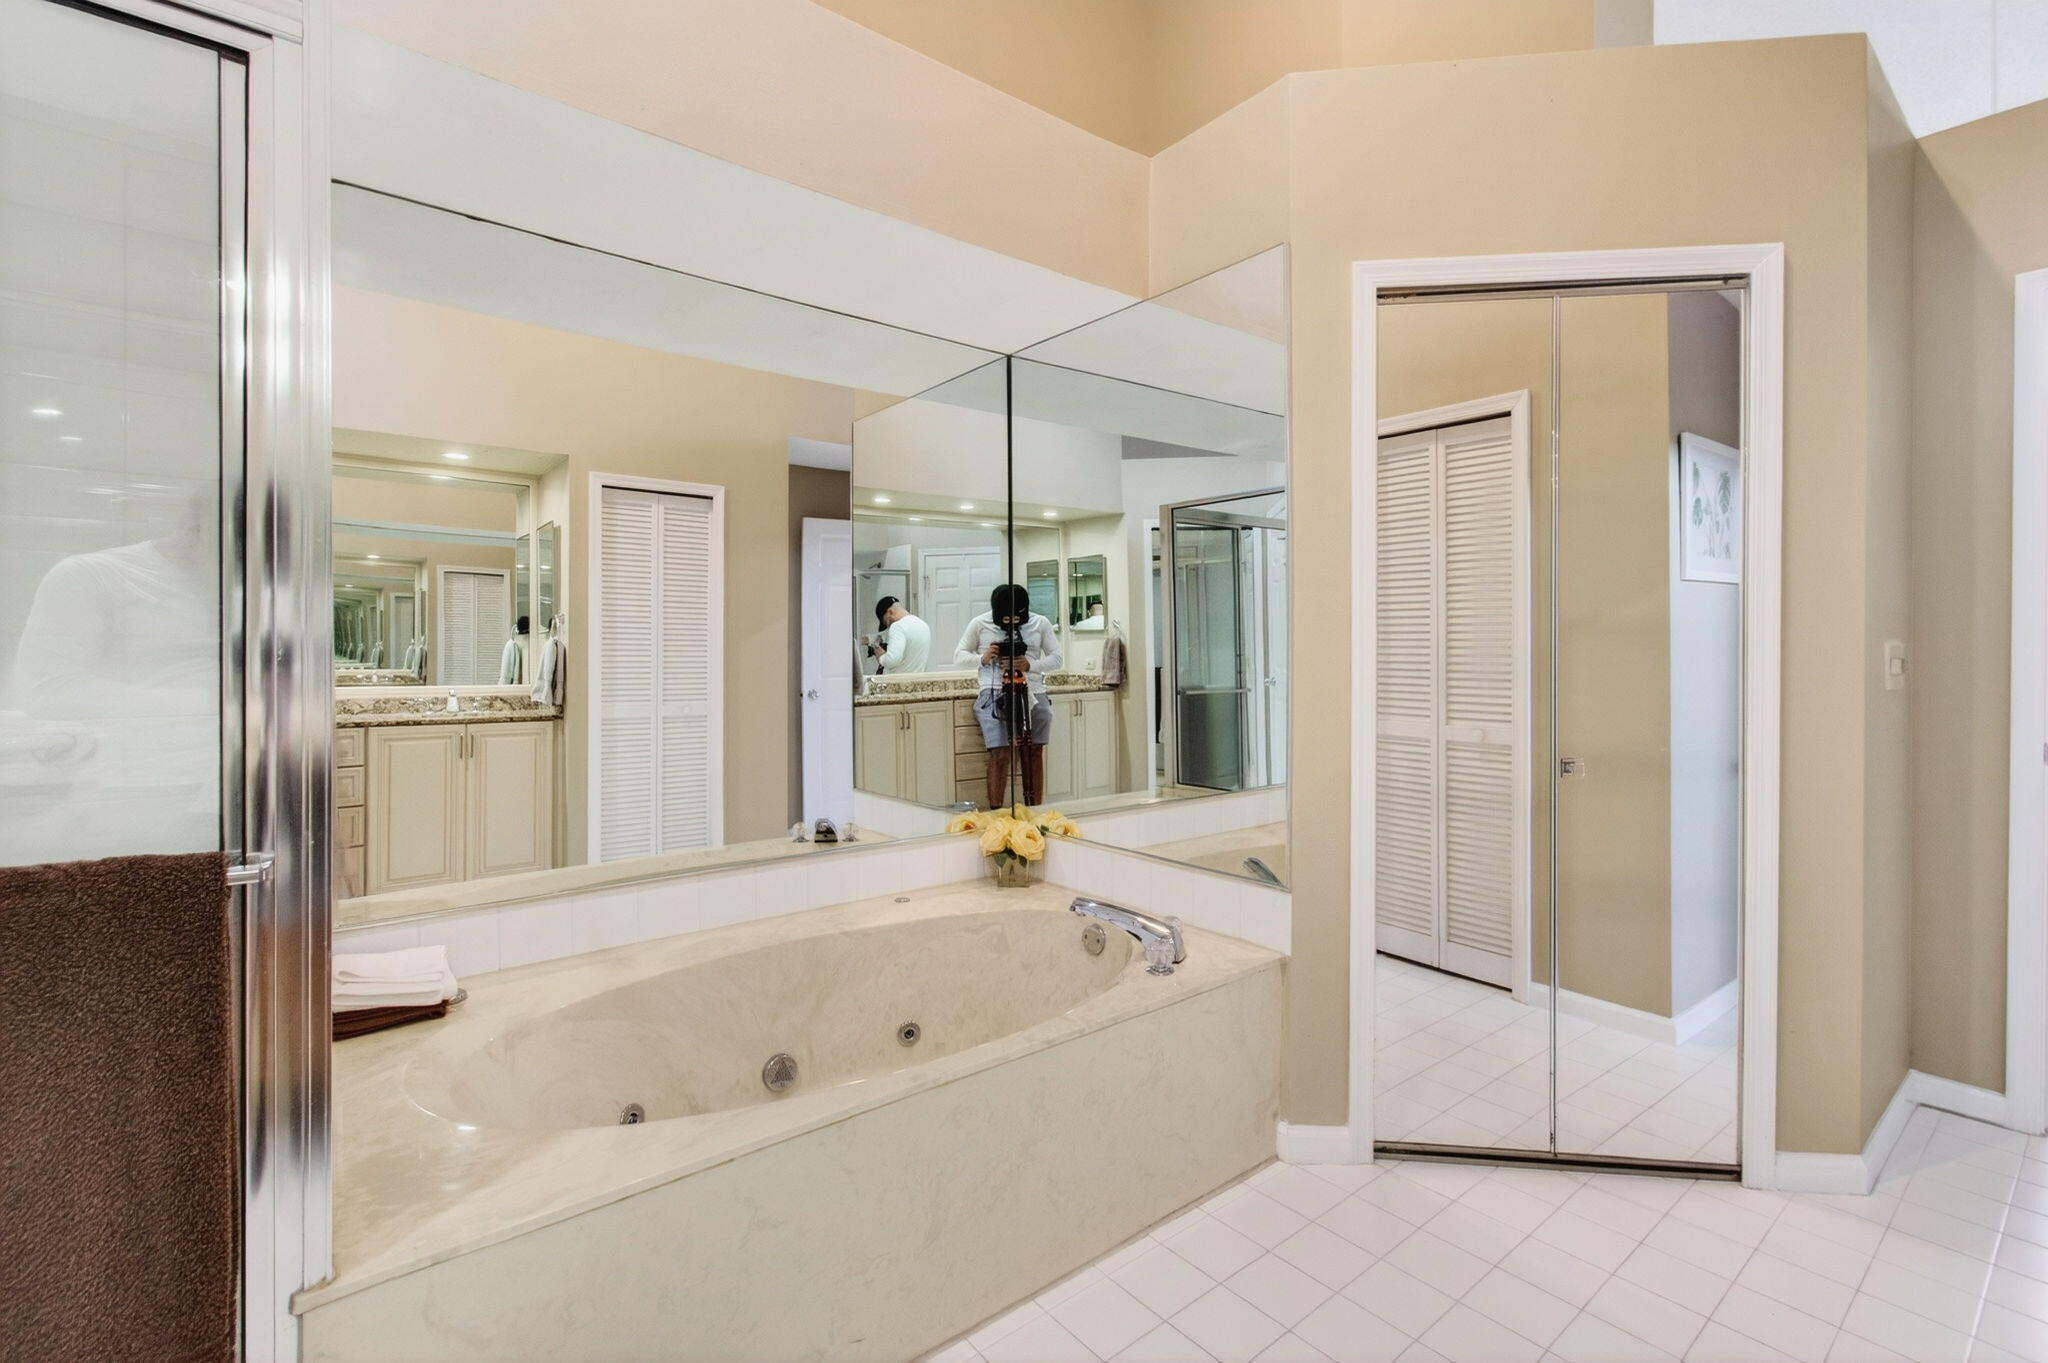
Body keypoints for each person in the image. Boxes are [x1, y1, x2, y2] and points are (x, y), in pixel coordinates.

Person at [954, 583, 1061, 808]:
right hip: (993, 691)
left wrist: (1029, 664)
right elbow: (959, 656)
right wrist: (983, 658)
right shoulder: (980, 623)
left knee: (1034, 752)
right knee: (1000, 752)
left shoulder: (1040, 623)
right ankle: (996, 812)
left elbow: (1057, 658)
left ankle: (1035, 810)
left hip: (1033, 689)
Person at [867, 596, 931, 674]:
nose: (888, 626)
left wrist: (881, 657)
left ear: (890, 612)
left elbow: (892, 660)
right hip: (917, 679)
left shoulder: (897, 626)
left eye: (886, 622)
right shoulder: (923, 625)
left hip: (899, 680)